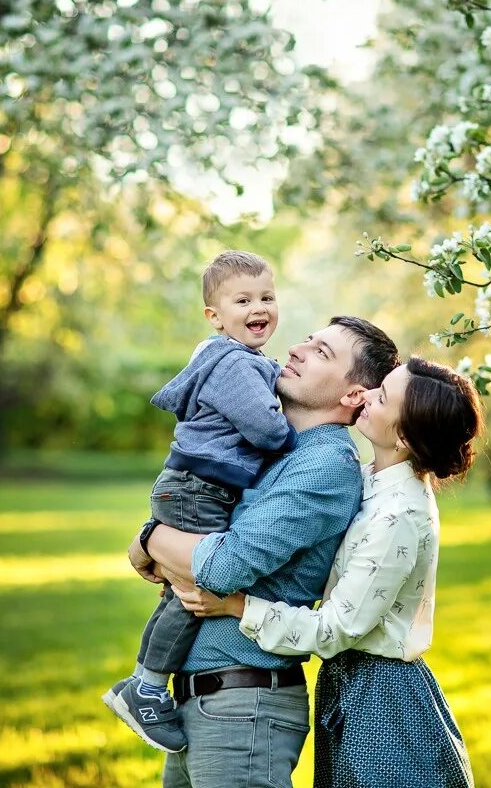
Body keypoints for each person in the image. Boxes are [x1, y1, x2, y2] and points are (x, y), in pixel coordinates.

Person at [176, 357, 483, 788]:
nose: (369, 395)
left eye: (383, 396)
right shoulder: (368, 481)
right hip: (351, 685)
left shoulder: (399, 515)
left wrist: (237, 605)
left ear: (404, 436)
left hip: (382, 697)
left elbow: (335, 629)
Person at [127, 316, 400, 788]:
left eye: (322, 353)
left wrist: (150, 539)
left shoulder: (325, 466)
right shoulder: (277, 448)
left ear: (353, 395)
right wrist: (160, 540)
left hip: (244, 707)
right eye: (309, 340)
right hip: (203, 703)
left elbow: (225, 566)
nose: (296, 349)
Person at [104, 249, 298, 753]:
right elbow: (268, 430)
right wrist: (291, 425)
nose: (260, 307)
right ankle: (145, 687)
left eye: (267, 297)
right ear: (215, 315)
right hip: (199, 489)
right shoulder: (233, 364)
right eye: (243, 300)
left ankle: (143, 684)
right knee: (195, 591)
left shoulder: (239, 359)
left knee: (181, 591)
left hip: (192, 486)